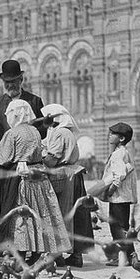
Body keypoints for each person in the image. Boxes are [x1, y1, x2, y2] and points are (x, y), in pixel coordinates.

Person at [0, 98, 69, 263]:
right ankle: (37, 250)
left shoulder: (12, 133)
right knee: (40, 213)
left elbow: (3, 160)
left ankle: (20, 251)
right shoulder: (35, 131)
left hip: (22, 177)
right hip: (38, 175)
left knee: (21, 216)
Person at [0, 59, 44, 226]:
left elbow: (43, 131)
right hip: (7, 164)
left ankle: (30, 240)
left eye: (13, 81)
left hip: (30, 163)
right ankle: (7, 240)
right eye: (7, 82)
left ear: (21, 80)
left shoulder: (34, 101)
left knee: (31, 203)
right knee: (7, 199)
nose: (10, 85)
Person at [40, 103, 92, 267]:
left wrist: (38, 155)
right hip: (73, 176)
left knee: (61, 214)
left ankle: (58, 255)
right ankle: (76, 255)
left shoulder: (60, 133)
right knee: (77, 216)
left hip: (63, 176)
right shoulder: (63, 131)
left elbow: (51, 159)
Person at [99, 122, 139, 267]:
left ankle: (125, 257)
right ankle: (129, 256)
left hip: (118, 197)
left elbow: (119, 175)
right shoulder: (125, 152)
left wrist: (109, 191)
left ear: (121, 138)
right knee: (123, 227)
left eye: (112, 134)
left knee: (117, 228)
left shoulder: (118, 154)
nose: (109, 136)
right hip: (124, 197)